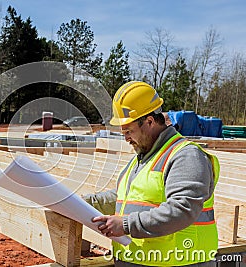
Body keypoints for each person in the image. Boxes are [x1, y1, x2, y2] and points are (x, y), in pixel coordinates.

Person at [88, 81, 220, 266]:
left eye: (128, 131)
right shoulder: (144, 156)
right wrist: (82, 202)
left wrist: (126, 225)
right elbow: (125, 199)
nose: (126, 138)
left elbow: (181, 209)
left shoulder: (186, 156)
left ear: (149, 121)